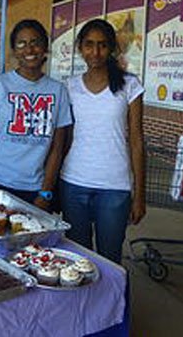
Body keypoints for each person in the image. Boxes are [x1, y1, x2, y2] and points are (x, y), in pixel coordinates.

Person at [59, 18, 145, 263]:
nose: (95, 52)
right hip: (74, 182)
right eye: (89, 45)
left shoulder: (130, 85)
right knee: (77, 259)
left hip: (115, 187)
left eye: (102, 45)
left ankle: (112, 303)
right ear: (80, 48)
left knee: (110, 259)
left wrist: (139, 195)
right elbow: (64, 138)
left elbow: (137, 141)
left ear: (112, 49)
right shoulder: (70, 87)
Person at [0, 19, 72, 209]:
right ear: (15, 51)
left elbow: (57, 148)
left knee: (30, 239)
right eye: (21, 44)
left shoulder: (58, 91)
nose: (29, 49)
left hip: (34, 188)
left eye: (35, 42)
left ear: (45, 48)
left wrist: (46, 192)